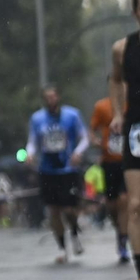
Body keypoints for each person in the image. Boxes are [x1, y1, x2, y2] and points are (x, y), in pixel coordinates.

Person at [108, 0, 140, 280]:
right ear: (135, 13)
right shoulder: (123, 48)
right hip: (138, 131)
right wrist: (118, 113)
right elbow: (116, 79)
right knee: (135, 205)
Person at [28, 86, 88, 264]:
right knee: (53, 210)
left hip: (68, 169)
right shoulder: (37, 119)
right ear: (43, 100)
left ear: (58, 97)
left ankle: (75, 233)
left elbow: (84, 137)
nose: (51, 100)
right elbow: (32, 141)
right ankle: (62, 247)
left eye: (53, 96)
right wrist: (29, 153)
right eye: (47, 97)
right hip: (47, 170)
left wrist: (78, 152)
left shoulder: (72, 115)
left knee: (69, 209)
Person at [90, 89, 130, 264]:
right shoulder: (102, 106)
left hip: (129, 160)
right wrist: (96, 140)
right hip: (109, 161)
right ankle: (119, 231)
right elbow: (91, 130)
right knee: (112, 204)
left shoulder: (133, 105)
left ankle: (123, 240)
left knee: (124, 200)